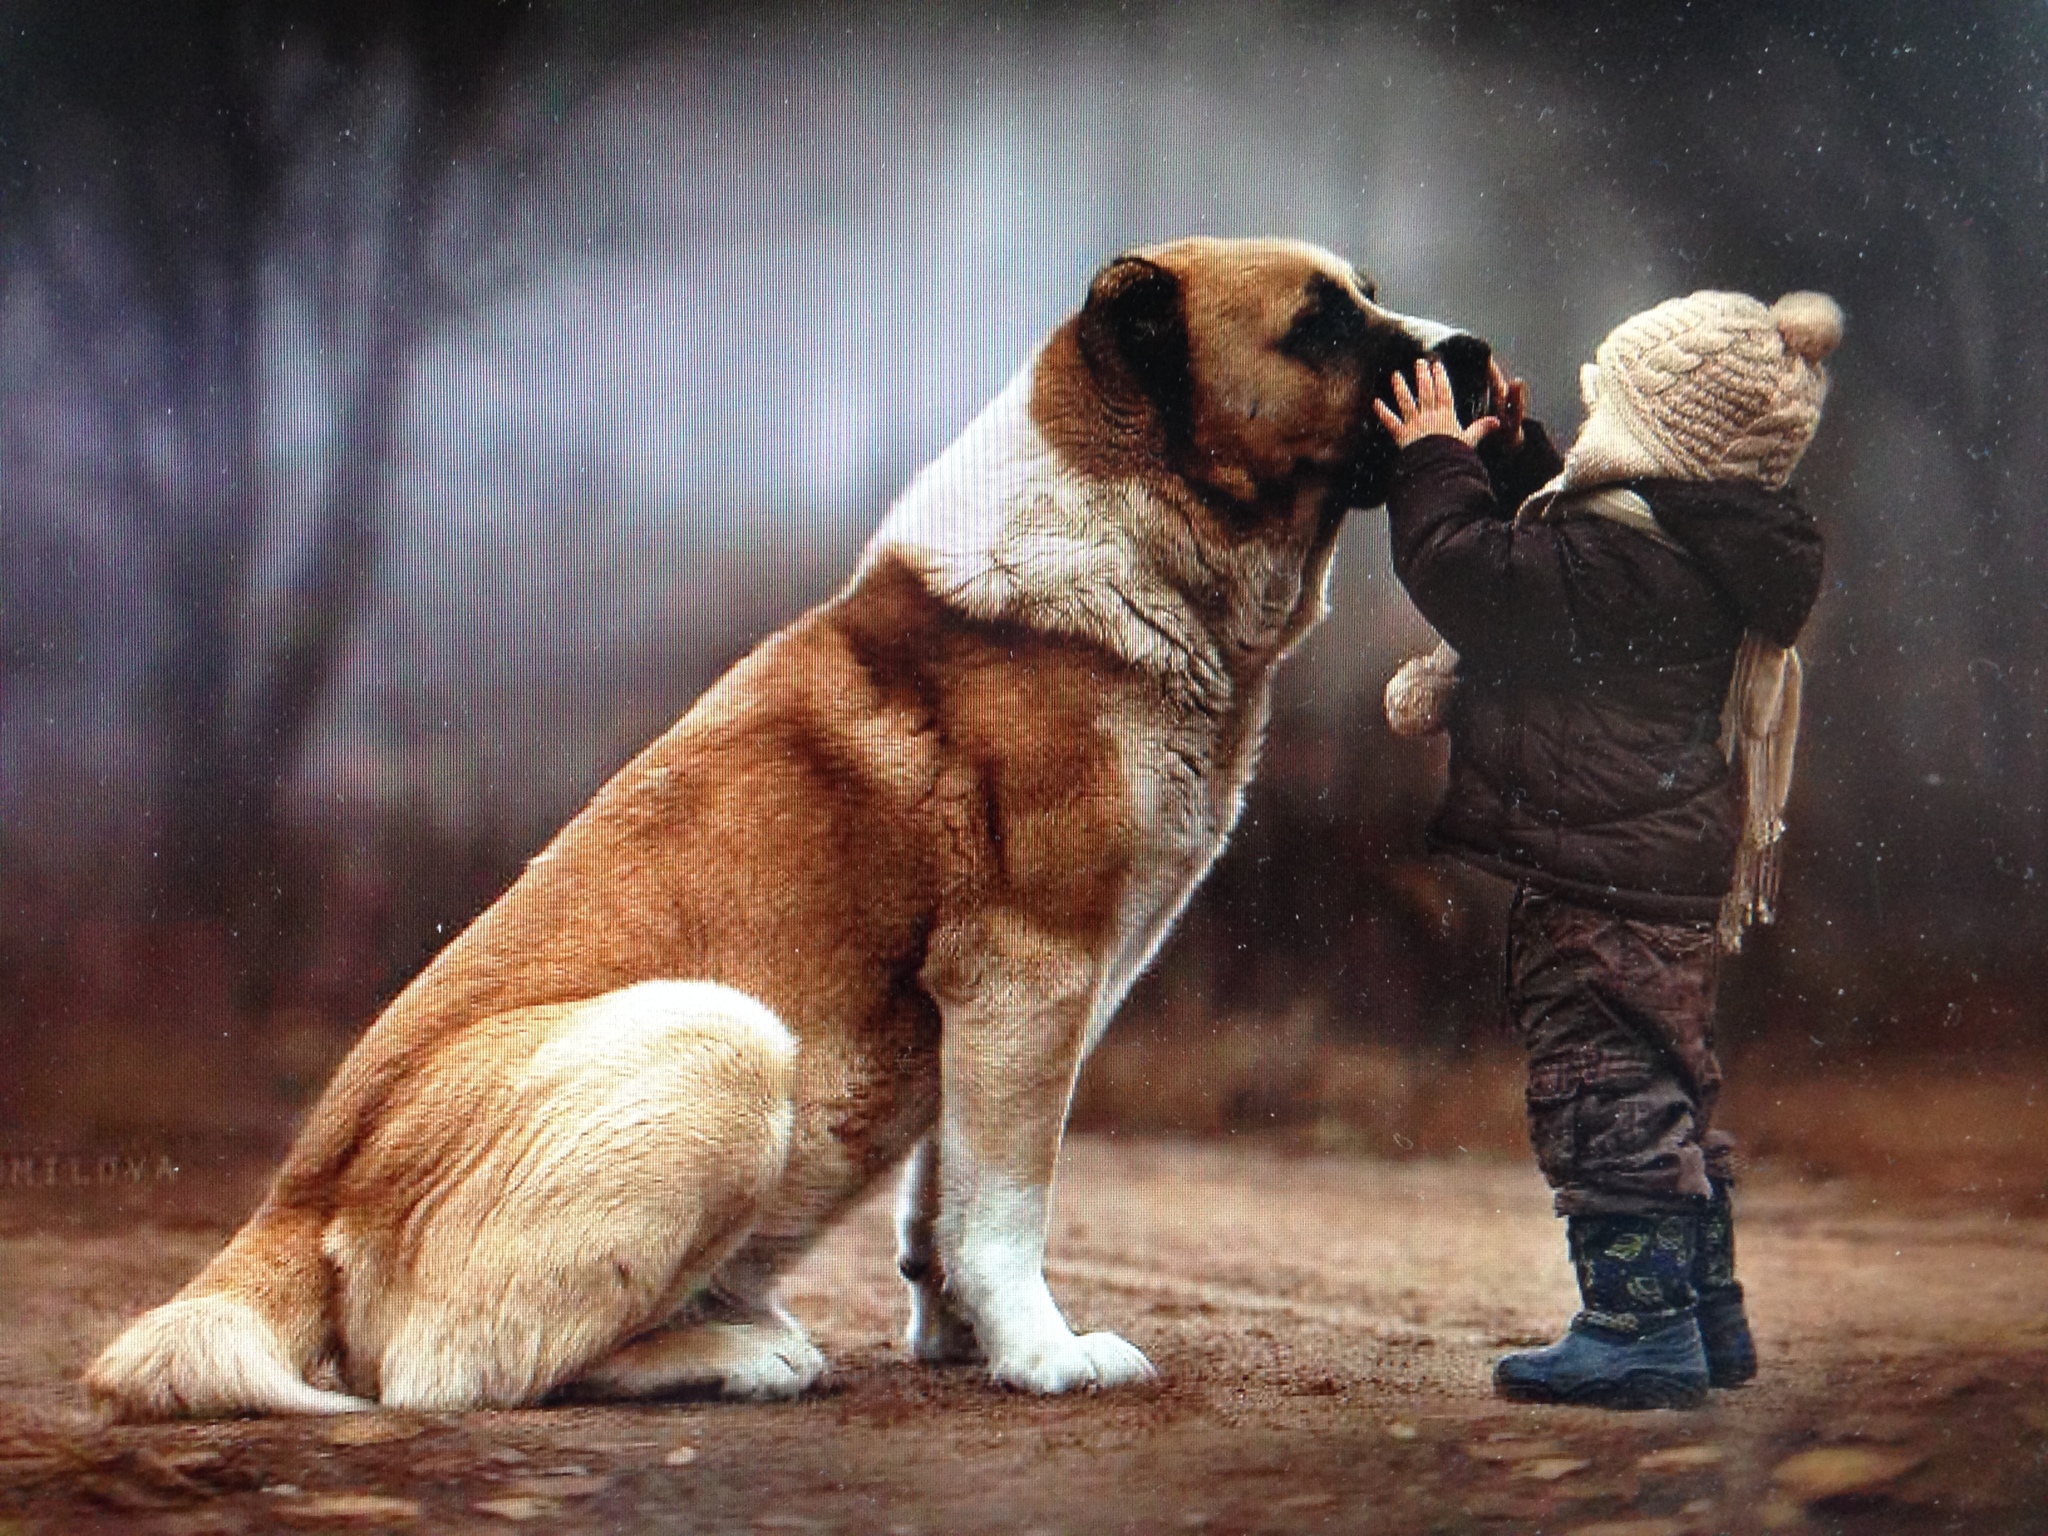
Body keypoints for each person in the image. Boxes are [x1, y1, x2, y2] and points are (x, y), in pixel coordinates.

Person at [1373, 290, 1842, 1409]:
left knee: (1601, 1095)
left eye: (1600, 416)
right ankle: (1703, 1315)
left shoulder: (1624, 567)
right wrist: (1514, 454)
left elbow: (1472, 573)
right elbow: (1560, 547)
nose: (1583, 439)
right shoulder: (1693, 551)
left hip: (1599, 882)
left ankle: (1636, 1330)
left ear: (1654, 438)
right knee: (1663, 1087)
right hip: (1662, 877)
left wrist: (1432, 465)